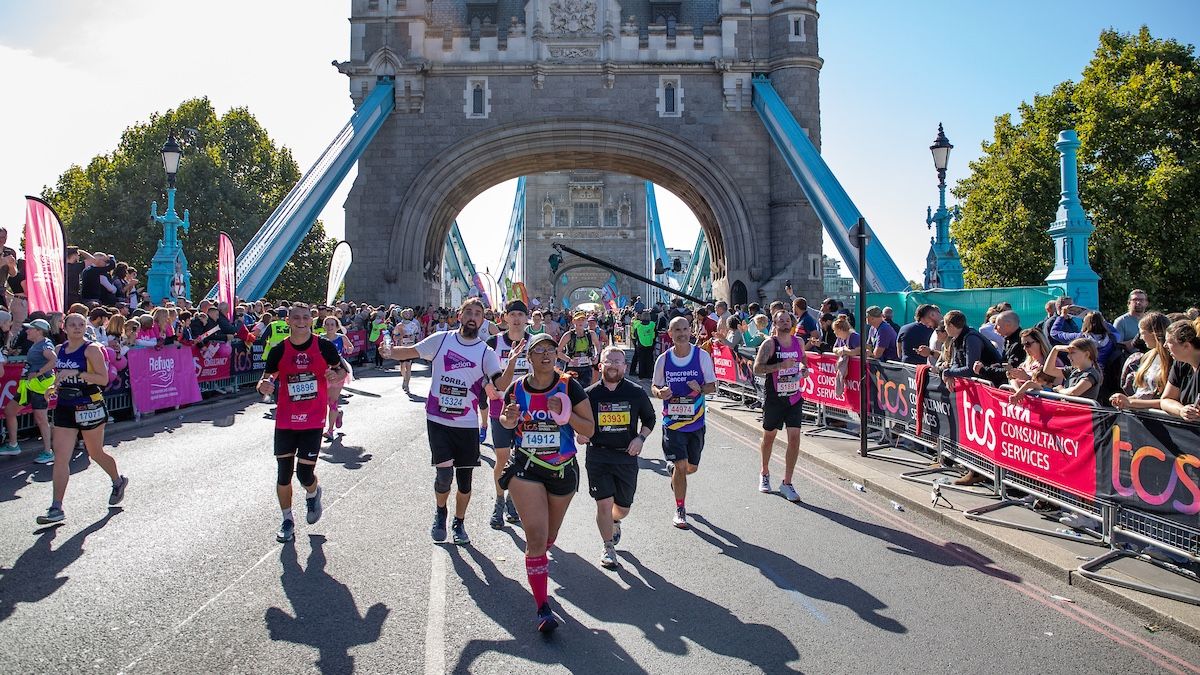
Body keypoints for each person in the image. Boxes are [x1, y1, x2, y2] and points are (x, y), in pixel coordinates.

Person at [498, 332, 594, 632]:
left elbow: (589, 429)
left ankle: (538, 561)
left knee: (549, 536)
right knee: (537, 539)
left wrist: (564, 416)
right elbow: (506, 422)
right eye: (538, 350)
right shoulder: (517, 389)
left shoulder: (569, 386)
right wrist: (509, 419)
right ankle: (542, 607)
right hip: (526, 467)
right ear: (529, 356)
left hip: (563, 470)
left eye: (550, 350)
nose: (546, 355)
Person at [387, 298, 503, 545]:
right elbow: (409, 351)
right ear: (459, 315)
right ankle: (441, 512)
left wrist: (501, 380)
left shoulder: (486, 352)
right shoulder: (441, 340)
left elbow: (498, 378)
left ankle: (459, 522)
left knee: (464, 481)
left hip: (467, 423)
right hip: (438, 419)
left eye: (478, 314)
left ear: (483, 320)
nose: (472, 317)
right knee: (443, 477)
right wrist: (388, 351)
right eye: (468, 312)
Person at [256, 305, 346, 542]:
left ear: (312, 321)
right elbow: (266, 378)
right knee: (283, 474)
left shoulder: (323, 346)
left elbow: (340, 371)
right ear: (288, 320)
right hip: (285, 420)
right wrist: (263, 386)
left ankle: (313, 492)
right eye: (296, 317)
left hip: (313, 419)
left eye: (306, 318)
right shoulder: (278, 350)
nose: (301, 321)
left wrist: (335, 376)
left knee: (305, 474)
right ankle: (287, 520)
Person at [35, 313, 127, 525]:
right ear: (64, 327)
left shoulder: (92, 349)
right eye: (72, 324)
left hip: (90, 405)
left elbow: (103, 379)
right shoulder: (59, 350)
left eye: (81, 324)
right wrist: (53, 387)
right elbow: (60, 375)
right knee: (61, 457)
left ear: (85, 327)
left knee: (95, 453)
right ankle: (56, 507)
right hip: (65, 407)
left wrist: (78, 372)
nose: (77, 328)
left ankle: (117, 481)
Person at [579, 346, 655, 569]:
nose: (613, 365)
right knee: (603, 504)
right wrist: (581, 434)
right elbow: (579, 422)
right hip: (598, 456)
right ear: (600, 365)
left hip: (626, 457)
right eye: (608, 361)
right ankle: (608, 547)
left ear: (625, 366)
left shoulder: (636, 392)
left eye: (617, 361)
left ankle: (615, 521)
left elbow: (650, 419)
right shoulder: (589, 394)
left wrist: (640, 439)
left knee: (622, 507)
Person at [651, 316, 717, 530]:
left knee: (691, 468)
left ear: (691, 331)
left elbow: (712, 386)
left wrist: (700, 388)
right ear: (670, 334)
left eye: (685, 329)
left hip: (696, 423)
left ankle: (676, 473)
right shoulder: (663, 359)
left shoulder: (702, 356)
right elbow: (654, 386)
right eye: (676, 330)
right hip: (672, 423)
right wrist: (660, 392)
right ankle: (680, 508)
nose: (681, 333)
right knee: (681, 466)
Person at [753, 310, 810, 501]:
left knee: (794, 438)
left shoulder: (799, 342)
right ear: (775, 325)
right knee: (769, 437)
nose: (786, 323)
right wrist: (780, 366)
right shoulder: (769, 344)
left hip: (794, 397)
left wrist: (804, 369)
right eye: (781, 321)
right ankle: (765, 472)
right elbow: (757, 368)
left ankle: (787, 483)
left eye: (788, 320)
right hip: (775, 398)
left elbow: (802, 360)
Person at [485, 300, 532, 530]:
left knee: (522, 459)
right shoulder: (493, 342)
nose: (516, 319)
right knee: (502, 459)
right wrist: (488, 387)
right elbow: (483, 373)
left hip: (529, 412)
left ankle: (513, 500)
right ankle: (500, 501)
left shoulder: (534, 343)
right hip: (499, 409)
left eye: (520, 315)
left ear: (526, 319)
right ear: (505, 318)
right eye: (512, 314)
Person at [1112, 318, 1200, 421]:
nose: (1165, 345)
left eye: (1170, 342)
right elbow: (1166, 400)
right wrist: (1181, 410)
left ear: (1186, 346)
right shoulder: (1180, 364)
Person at [0, 319, 56, 463]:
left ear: (38, 331)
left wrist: (37, 372)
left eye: (30, 329)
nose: (27, 331)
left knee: (41, 419)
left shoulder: (45, 344)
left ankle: (48, 452)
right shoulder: (37, 344)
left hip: (39, 386)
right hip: (28, 386)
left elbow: (54, 360)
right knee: (10, 411)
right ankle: (13, 445)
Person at [1114, 313, 1172, 402]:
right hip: (1140, 411)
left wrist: (1131, 402)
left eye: (1142, 333)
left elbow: (1167, 400)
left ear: (1154, 333)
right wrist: (1124, 399)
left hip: (1156, 414)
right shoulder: (1148, 356)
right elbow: (1142, 393)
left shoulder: (1173, 359)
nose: (1141, 338)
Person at [321, 316, 354, 441]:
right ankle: (338, 413)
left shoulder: (341, 338)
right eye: (327, 324)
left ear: (337, 326)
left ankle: (330, 430)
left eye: (332, 325)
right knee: (323, 401)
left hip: (338, 371)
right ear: (324, 326)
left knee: (333, 401)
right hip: (323, 372)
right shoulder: (320, 338)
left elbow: (350, 348)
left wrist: (348, 349)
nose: (330, 327)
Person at [974, 310, 1026, 387]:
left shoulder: (1019, 343)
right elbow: (1005, 365)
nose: (994, 328)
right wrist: (996, 366)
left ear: (1008, 325)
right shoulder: (1008, 340)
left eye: (997, 325)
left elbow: (1010, 372)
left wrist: (983, 370)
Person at [559, 311, 598, 388]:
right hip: (572, 367)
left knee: (585, 390)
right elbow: (558, 352)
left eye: (582, 320)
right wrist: (569, 360)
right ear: (573, 321)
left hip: (586, 366)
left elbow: (597, 346)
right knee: (571, 390)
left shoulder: (591, 334)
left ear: (586, 321)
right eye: (578, 320)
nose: (580, 322)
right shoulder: (568, 335)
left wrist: (597, 356)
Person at [393, 307, 423, 392]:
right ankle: (404, 378)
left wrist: (414, 337)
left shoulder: (413, 325)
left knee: (408, 366)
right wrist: (401, 336)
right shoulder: (399, 326)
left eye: (408, 314)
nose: (407, 315)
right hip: (402, 347)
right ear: (402, 315)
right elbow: (395, 337)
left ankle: (407, 384)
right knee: (402, 366)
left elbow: (417, 335)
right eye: (405, 314)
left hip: (410, 347)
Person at [629, 310, 657, 380]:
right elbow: (655, 333)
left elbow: (635, 335)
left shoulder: (638, 325)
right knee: (649, 359)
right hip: (650, 343)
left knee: (641, 360)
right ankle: (649, 373)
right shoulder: (652, 324)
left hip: (641, 344)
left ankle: (641, 374)